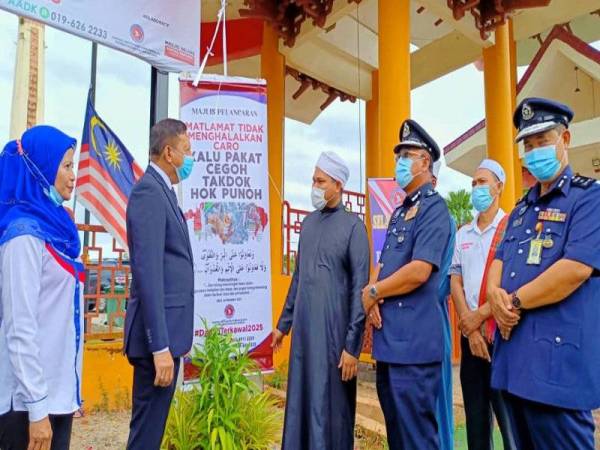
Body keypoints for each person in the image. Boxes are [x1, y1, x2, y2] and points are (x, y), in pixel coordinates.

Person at [488, 97, 600, 449]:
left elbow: (575, 269)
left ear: (564, 140)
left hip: (557, 369)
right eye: (529, 145)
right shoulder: (521, 209)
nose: (535, 152)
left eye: (543, 142)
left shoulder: (588, 199)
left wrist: (513, 302)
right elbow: (500, 259)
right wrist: (493, 294)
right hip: (514, 361)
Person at [272, 151, 370, 450]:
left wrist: (352, 347)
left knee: (332, 412)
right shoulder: (308, 225)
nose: (314, 186)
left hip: (334, 341)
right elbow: (299, 278)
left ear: (337, 185)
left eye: (320, 181)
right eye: (313, 179)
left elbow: (360, 289)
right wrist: (282, 326)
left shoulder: (354, 228)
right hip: (304, 337)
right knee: (301, 405)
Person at [364, 120, 452, 449]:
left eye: (407, 155)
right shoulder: (402, 212)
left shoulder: (434, 209)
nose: (400, 162)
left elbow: (419, 270)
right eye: (398, 156)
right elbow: (385, 262)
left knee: (417, 439)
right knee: (399, 438)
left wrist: (374, 292)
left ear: (425, 162)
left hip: (414, 350)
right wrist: (371, 297)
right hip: (391, 347)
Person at [0, 125, 83, 450]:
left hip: (54, 397)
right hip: (27, 406)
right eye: (65, 166)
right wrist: (37, 408)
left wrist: (69, 391)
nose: (73, 175)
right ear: (41, 169)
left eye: (72, 165)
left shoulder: (54, 227)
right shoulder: (23, 236)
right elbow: (20, 327)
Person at [124, 119, 195, 449]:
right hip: (158, 343)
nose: (190, 158)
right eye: (186, 151)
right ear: (169, 152)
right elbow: (148, 273)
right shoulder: (148, 193)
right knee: (146, 437)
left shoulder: (164, 192)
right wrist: (159, 347)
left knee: (152, 434)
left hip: (168, 338)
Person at [450, 159, 515, 450]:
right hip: (471, 338)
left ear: (499, 186)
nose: (476, 187)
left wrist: (479, 318)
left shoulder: (511, 227)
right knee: (476, 423)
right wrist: (470, 326)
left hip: (500, 336)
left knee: (509, 422)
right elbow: (455, 280)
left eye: (482, 182)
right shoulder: (463, 233)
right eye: (474, 182)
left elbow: (512, 287)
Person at [431, 160, 456, 450]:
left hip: (432, 326)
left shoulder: (444, 221)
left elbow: (440, 283)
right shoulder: (404, 218)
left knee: (438, 405)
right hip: (406, 332)